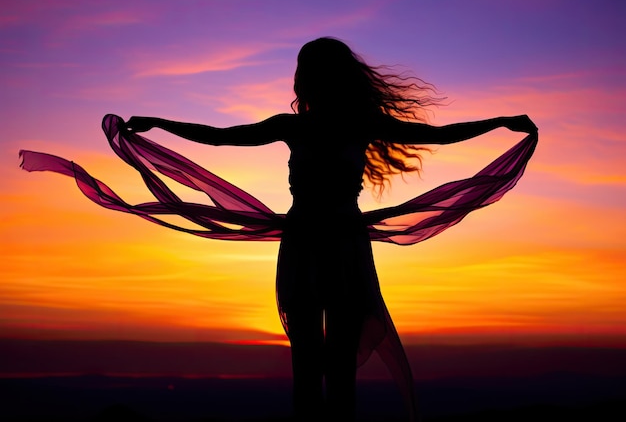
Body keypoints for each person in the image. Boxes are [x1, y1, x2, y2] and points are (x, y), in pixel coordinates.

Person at [20, 37, 537, 421]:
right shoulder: (316, 127)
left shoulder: (311, 127)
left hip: (320, 243)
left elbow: (439, 134)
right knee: (321, 360)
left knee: (314, 360)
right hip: (328, 243)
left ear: (308, 80)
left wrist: (499, 124)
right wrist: (162, 124)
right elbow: (222, 137)